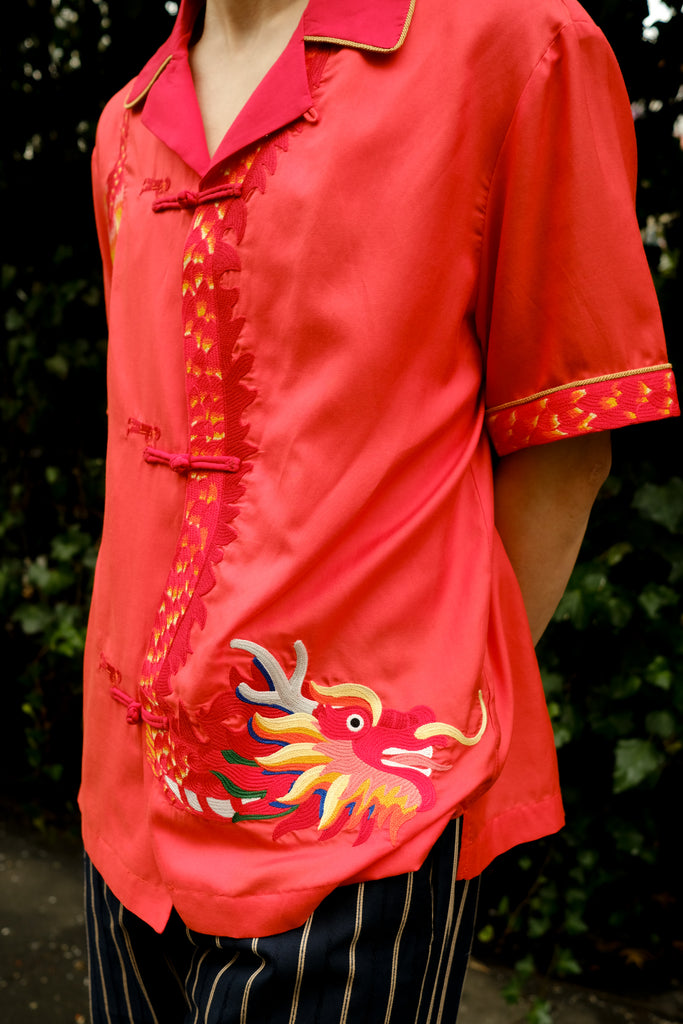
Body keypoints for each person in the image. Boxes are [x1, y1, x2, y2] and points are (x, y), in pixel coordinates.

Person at [81, 0, 678, 1020]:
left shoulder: (511, 42)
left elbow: (563, 438)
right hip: (126, 811)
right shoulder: (127, 119)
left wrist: (439, 706)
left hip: (359, 821)